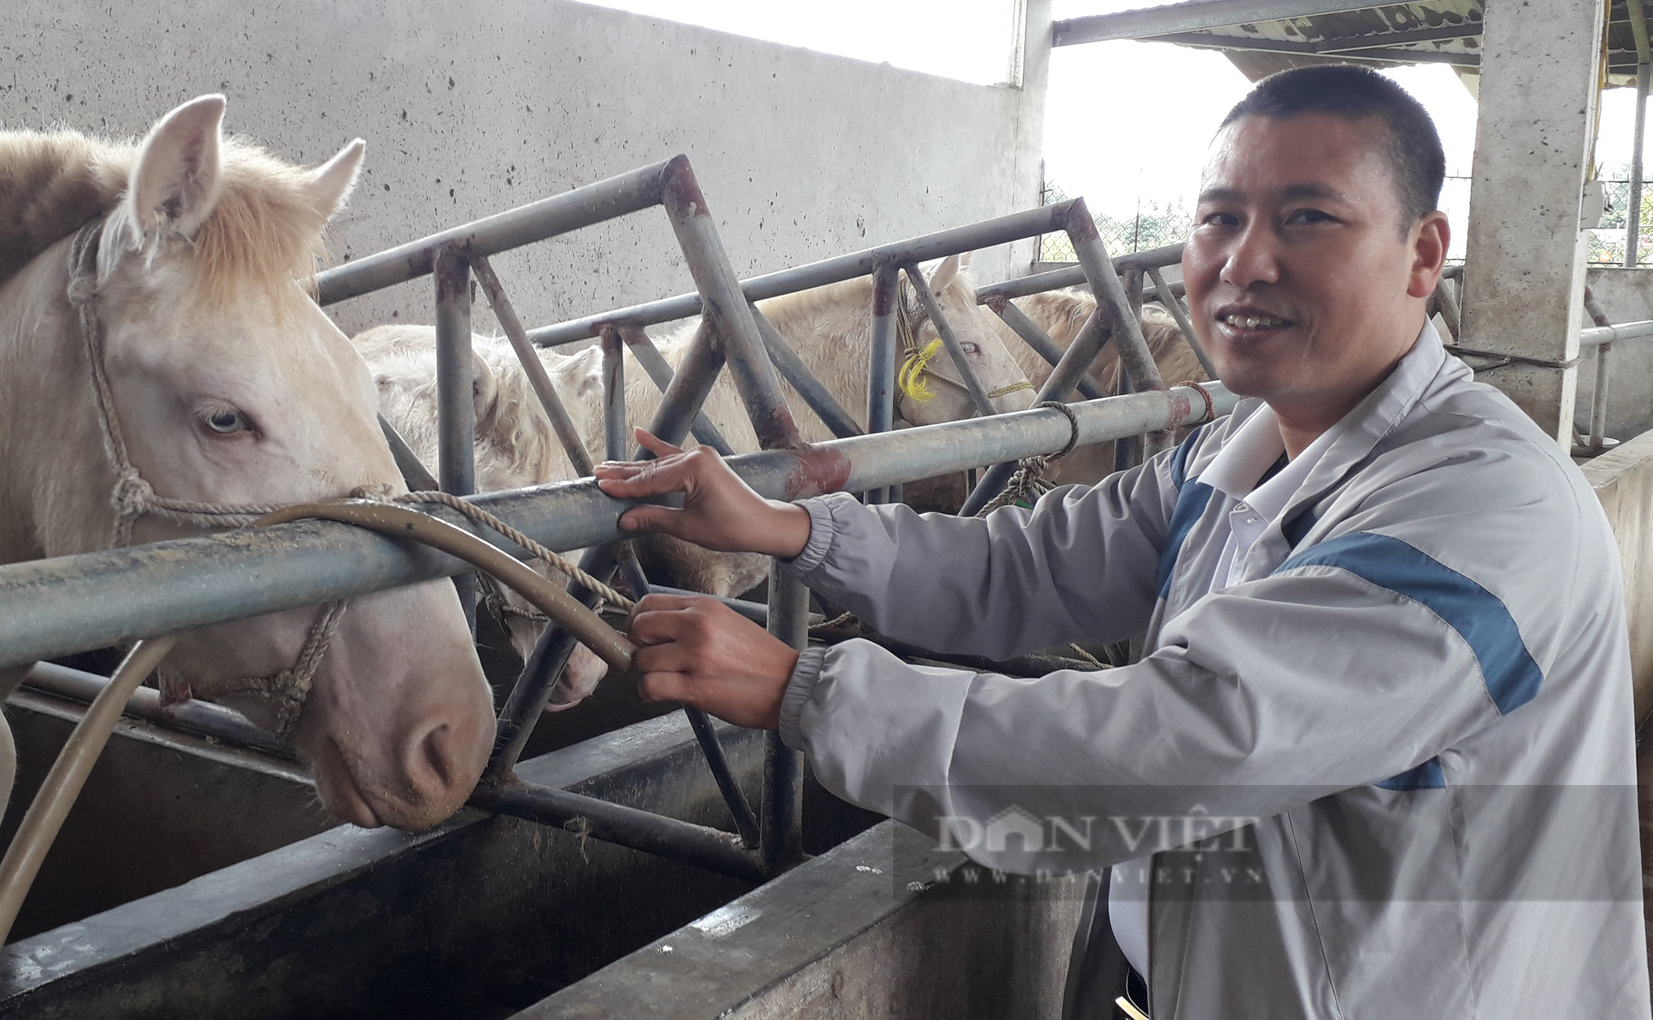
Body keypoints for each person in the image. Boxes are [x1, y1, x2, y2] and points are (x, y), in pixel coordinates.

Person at [593, 64, 1650, 1018]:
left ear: (1421, 253)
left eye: (1307, 219)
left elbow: (1166, 746)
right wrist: (790, 529)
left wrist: (805, 689)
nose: (1244, 262)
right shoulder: (1235, 452)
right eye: (1218, 218)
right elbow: (1027, 566)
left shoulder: (1480, 515)